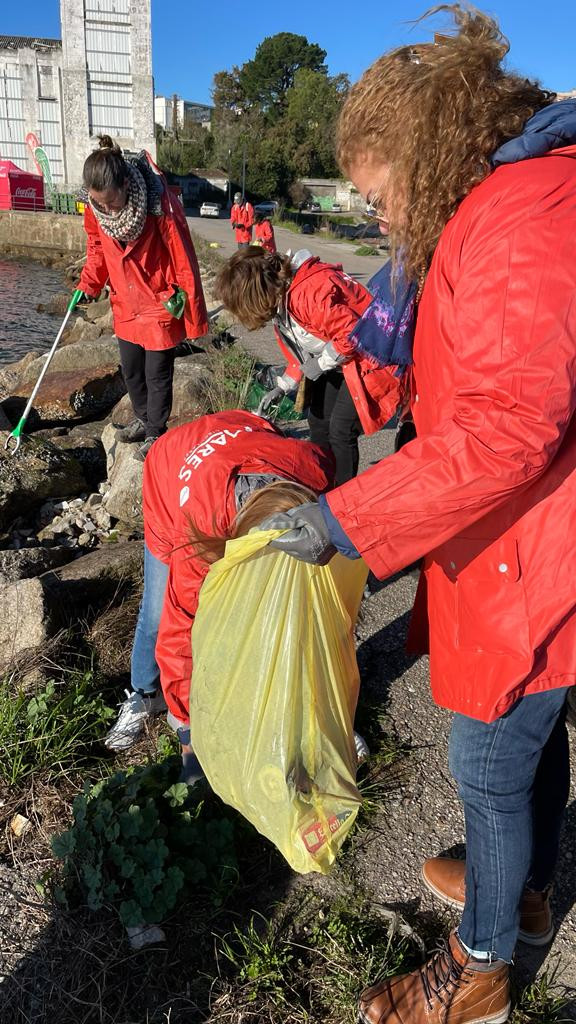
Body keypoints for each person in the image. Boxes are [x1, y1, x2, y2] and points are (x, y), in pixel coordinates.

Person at [260, 8, 576, 1023]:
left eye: (378, 196)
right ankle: (519, 890)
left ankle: (480, 966)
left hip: (529, 546)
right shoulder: (503, 206)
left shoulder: (519, 219)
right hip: (521, 534)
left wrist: (348, 520)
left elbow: (506, 429)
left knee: (486, 758)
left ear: (433, 156)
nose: (379, 219)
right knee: (527, 734)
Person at [103, 410, 335, 780]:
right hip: (170, 473)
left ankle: (317, 714)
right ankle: (145, 693)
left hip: (237, 433)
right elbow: (180, 628)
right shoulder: (200, 530)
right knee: (160, 611)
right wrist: (187, 734)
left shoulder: (314, 471)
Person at [215, 247, 402, 485]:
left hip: (368, 357)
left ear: (256, 294)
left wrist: (322, 363)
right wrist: (283, 387)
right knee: (318, 420)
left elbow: (353, 334)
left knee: (341, 429)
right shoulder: (282, 300)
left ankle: (341, 496)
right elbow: (300, 355)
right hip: (341, 360)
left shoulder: (307, 294)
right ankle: (320, 482)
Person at [78, 136, 208, 461]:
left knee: (157, 374)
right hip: (125, 303)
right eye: (100, 204)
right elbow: (96, 248)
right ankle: (141, 419)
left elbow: (183, 257)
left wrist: (190, 312)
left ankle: (155, 432)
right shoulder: (96, 210)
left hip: (158, 300)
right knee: (132, 371)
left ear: (125, 184)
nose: (107, 210)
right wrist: (89, 284)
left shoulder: (157, 204)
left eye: (112, 202)